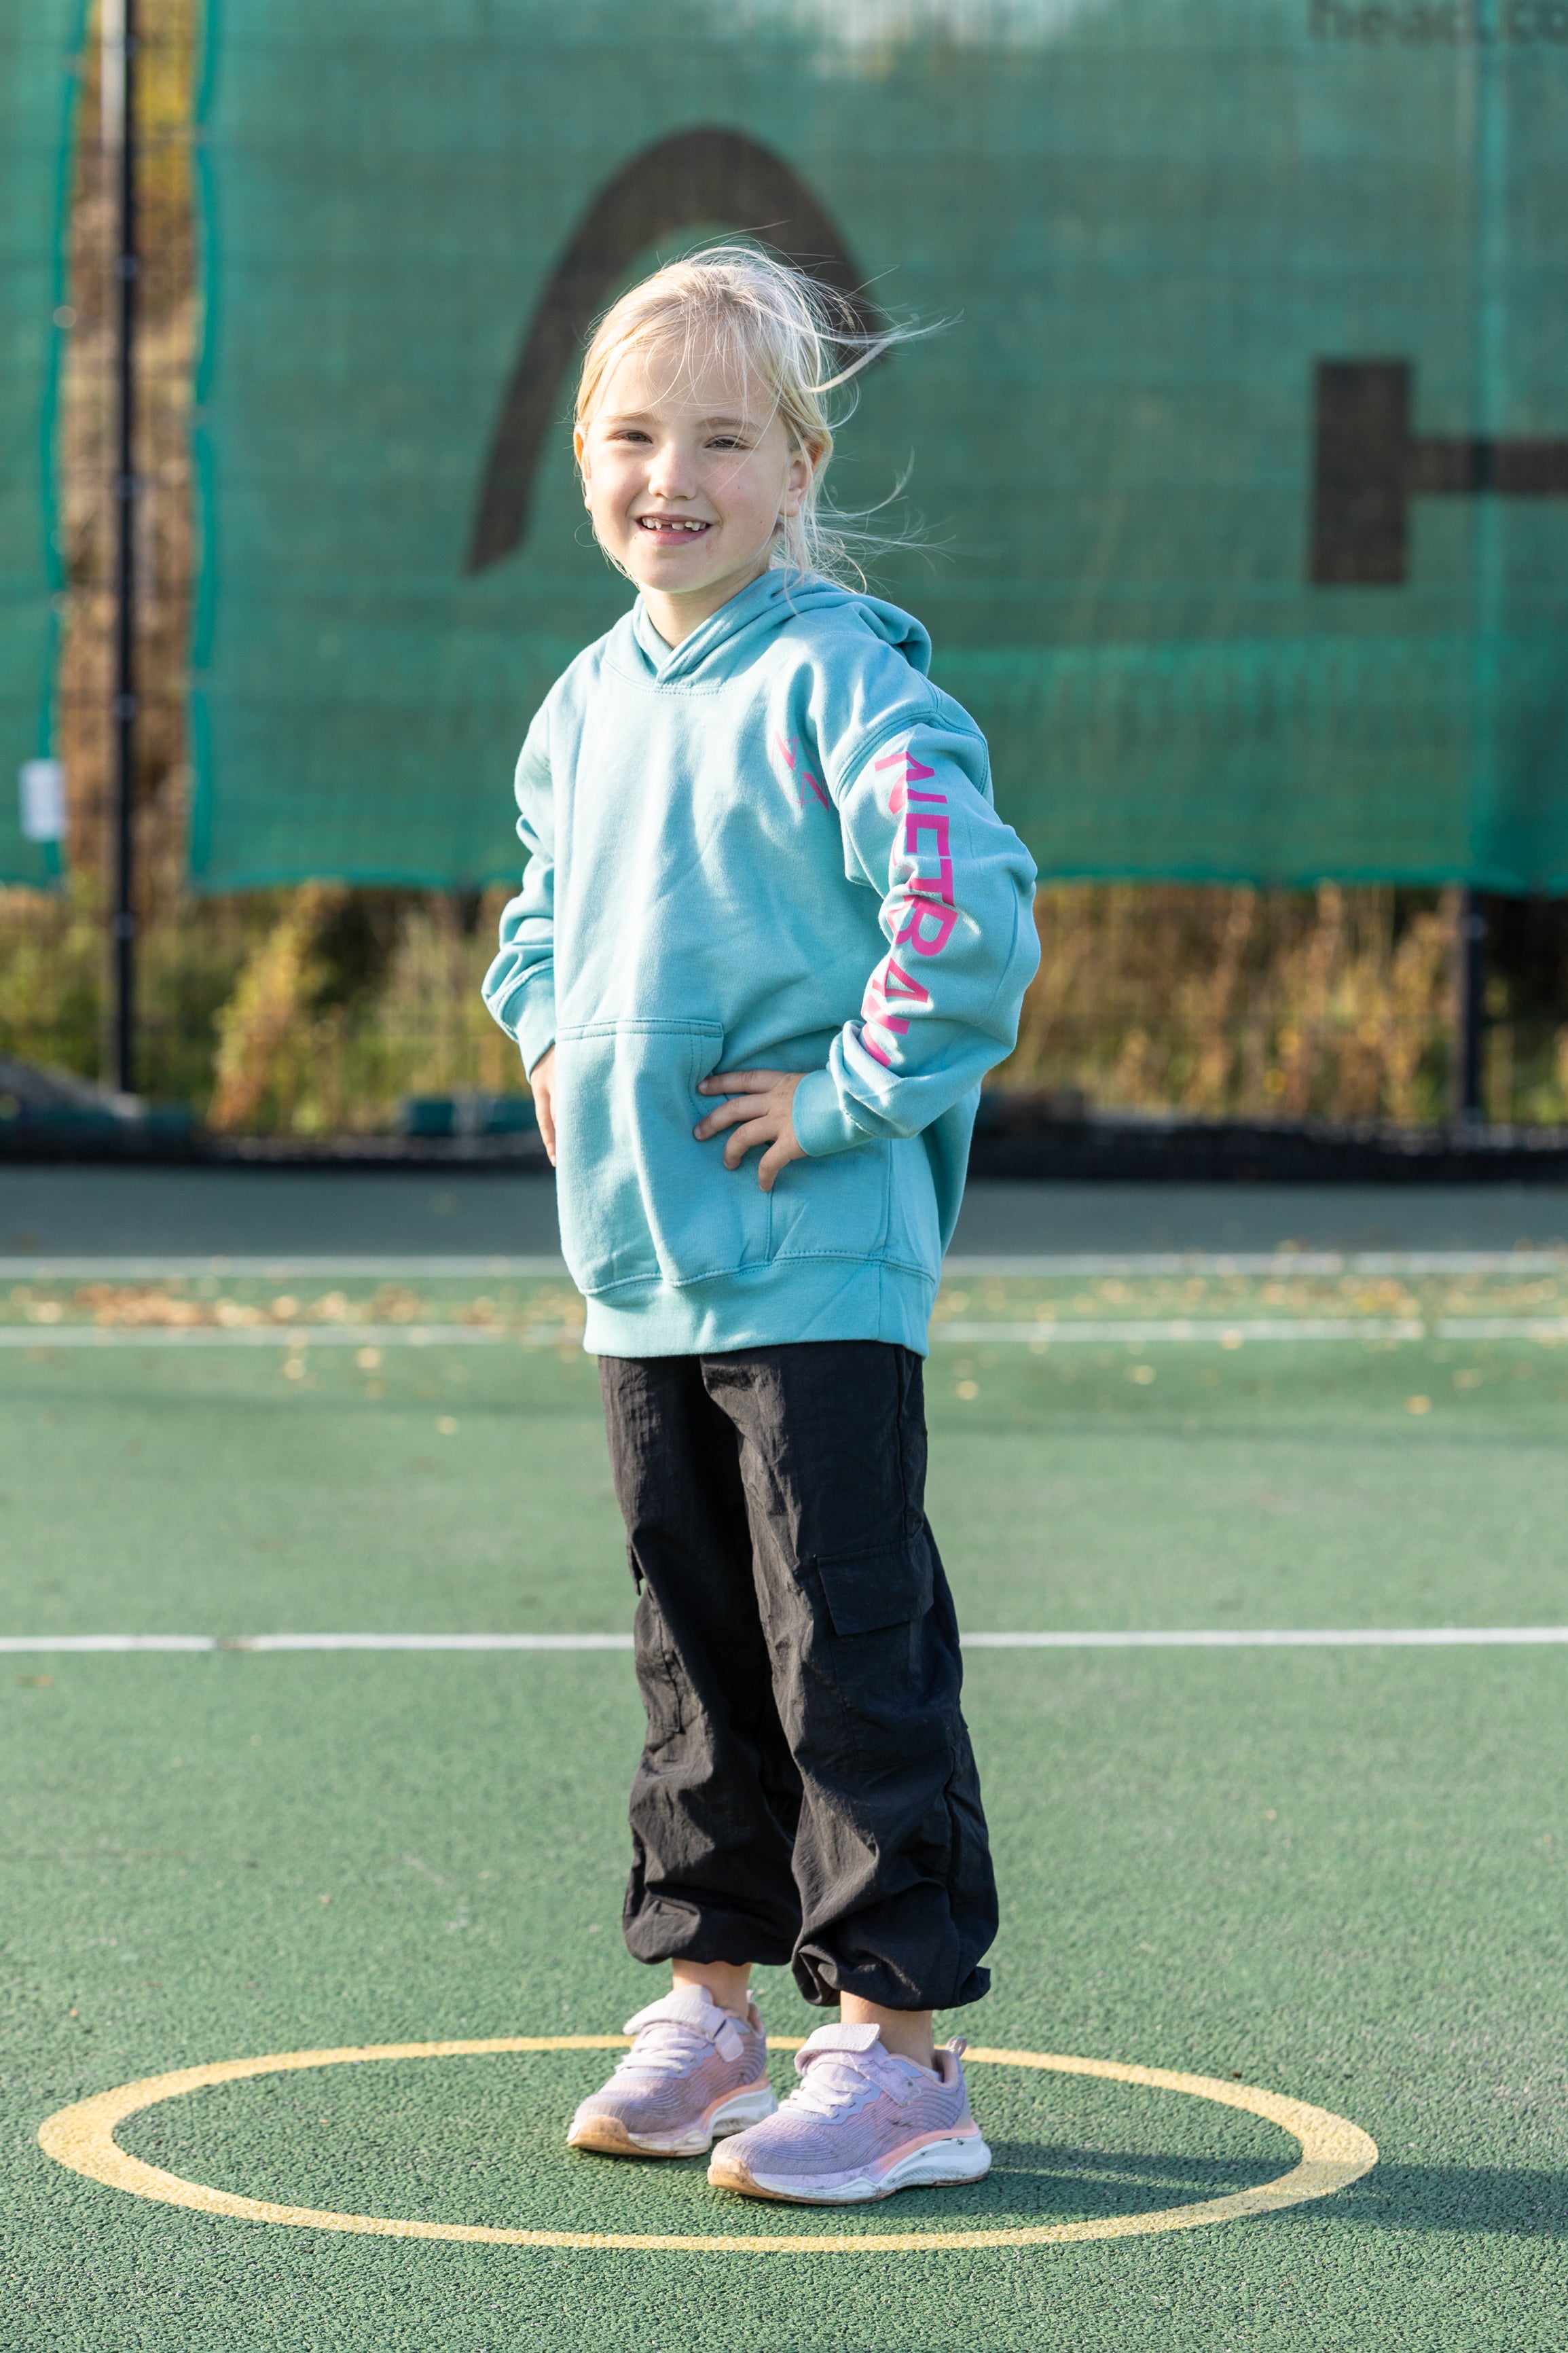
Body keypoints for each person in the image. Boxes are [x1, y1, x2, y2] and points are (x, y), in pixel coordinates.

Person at [481, 247, 1038, 2208]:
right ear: (581, 459)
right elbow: (535, 916)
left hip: (816, 1269)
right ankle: (711, 2006)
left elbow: (967, 926)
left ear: (798, 466)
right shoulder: (582, 702)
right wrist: (547, 1029)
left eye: (724, 438)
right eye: (635, 437)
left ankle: (897, 2049)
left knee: (844, 1654)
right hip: (640, 1274)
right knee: (696, 1656)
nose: (672, 476)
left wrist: (849, 1098)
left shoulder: (836, 677)